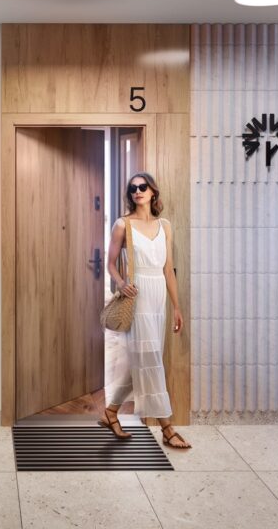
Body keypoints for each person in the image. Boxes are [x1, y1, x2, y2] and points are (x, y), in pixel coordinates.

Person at [97, 172, 191, 449]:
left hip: (158, 296)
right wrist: (121, 283)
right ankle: (167, 428)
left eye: (142, 187)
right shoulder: (122, 225)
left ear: (153, 192)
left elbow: (168, 270)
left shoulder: (165, 226)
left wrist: (177, 307)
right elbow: (110, 263)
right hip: (137, 296)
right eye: (133, 188)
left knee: (145, 358)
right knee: (150, 358)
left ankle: (111, 412)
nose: (137, 191)